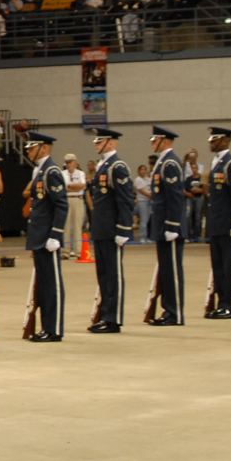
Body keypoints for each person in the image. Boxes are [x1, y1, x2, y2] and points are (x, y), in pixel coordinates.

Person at [87, 129, 134, 335]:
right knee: (103, 275)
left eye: (101, 141)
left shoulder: (118, 167)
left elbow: (125, 200)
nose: (96, 144)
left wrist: (124, 228)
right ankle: (105, 314)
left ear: (112, 144)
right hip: (101, 229)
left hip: (112, 229)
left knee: (113, 276)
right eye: (96, 141)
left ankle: (113, 318)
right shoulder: (103, 166)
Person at [22, 132, 67, 342]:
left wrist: (55, 234)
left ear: (44, 148)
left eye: (32, 147)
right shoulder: (39, 171)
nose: (29, 151)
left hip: (48, 238)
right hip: (39, 237)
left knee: (52, 284)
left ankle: (54, 328)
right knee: (43, 285)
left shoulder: (51, 171)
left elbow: (61, 204)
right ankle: (46, 326)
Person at [203, 127, 231, 320]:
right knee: (219, 267)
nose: (210, 142)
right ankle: (222, 303)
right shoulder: (217, 163)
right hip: (217, 223)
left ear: (225, 141)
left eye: (215, 139)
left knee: (230, 268)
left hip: (229, 224)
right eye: (210, 139)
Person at [147, 126, 187, 326]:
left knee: (172, 271)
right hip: (162, 226)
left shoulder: (170, 163)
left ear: (164, 140)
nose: (152, 142)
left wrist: (172, 225)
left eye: (154, 139)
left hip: (170, 227)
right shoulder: (162, 162)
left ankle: (175, 313)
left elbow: (175, 197)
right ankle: (168, 310)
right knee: (165, 271)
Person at [61, 153, 87, 258]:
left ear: (75, 163)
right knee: (66, 226)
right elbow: (62, 188)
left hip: (78, 199)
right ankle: (65, 251)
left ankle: (78, 251)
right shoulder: (62, 173)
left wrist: (69, 186)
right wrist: (74, 187)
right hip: (66, 199)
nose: (68, 165)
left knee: (77, 226)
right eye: (67, 162)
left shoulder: (80, 173)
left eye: (70, 162)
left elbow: (82, 186)